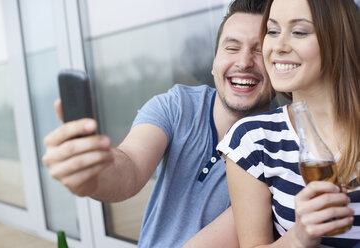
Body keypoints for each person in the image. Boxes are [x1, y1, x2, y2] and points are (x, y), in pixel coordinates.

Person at [42, 0, 271, 247]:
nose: (245, 62)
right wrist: (94, 174)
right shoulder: (177, 105)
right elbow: (129, 168)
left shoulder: (282, 144)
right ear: (214, 63)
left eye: (259, 50)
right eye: (232, 48)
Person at [217, 0, 360, 247]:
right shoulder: (253, 140)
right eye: (272, 31)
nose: (278, 46)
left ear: (338, 37)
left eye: (299, 32)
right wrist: (299, 237)